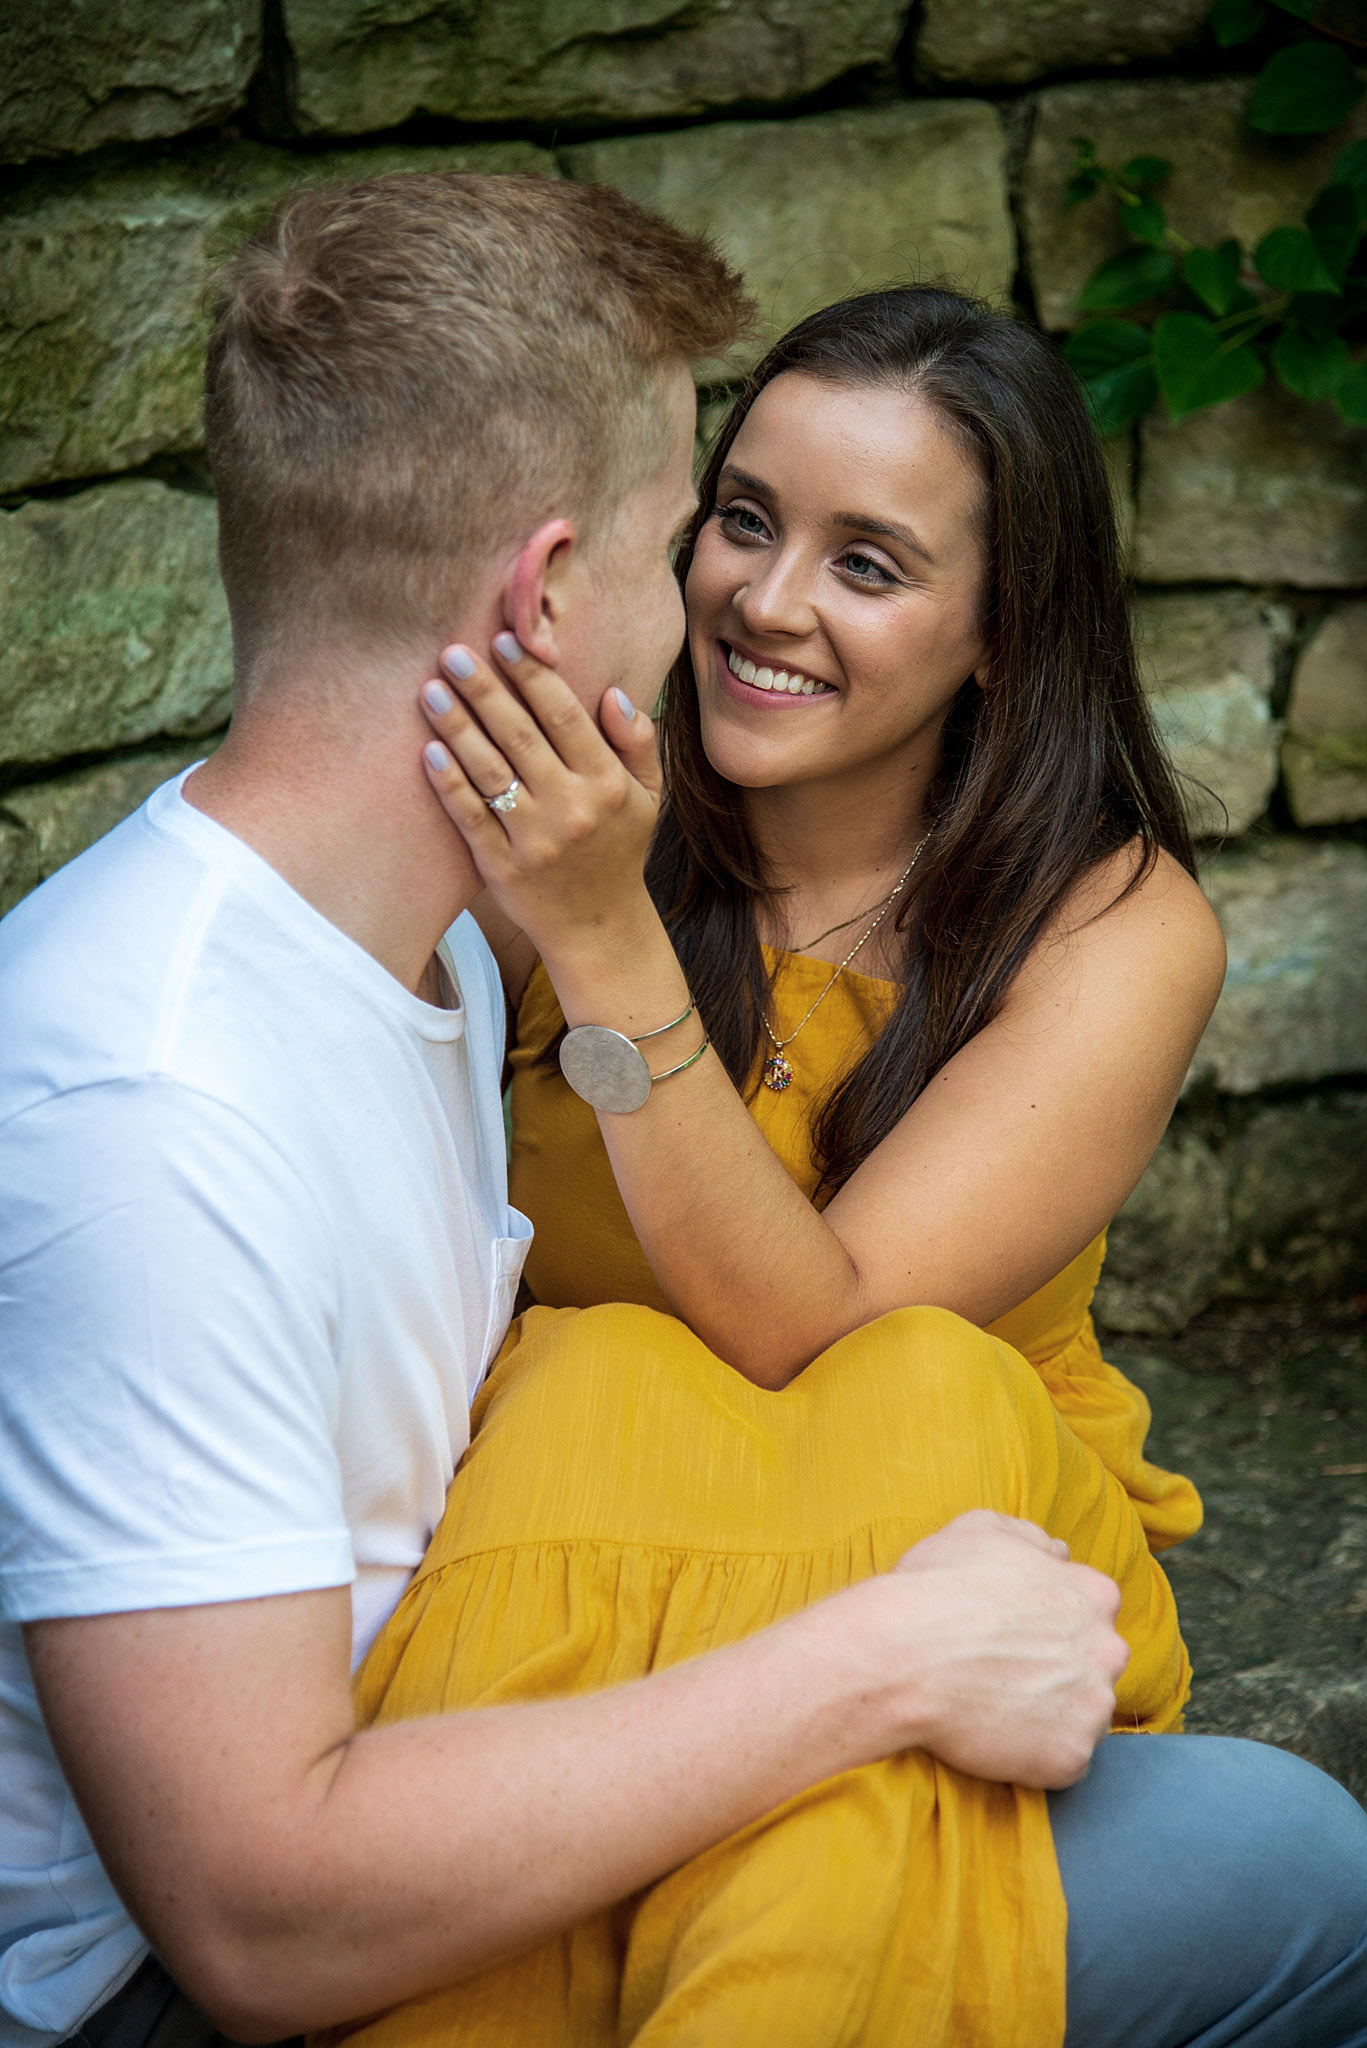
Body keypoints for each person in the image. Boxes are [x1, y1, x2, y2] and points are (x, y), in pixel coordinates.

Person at [0, 175, 1139, 2048]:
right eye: (709, 526)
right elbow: (262, 1919)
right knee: (1299, 1886)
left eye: (865, 563)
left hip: (566, 1662)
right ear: (544, 594)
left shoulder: (440, 947)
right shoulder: (160, 1102)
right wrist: (877, 1664)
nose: (746, 602)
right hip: (241, 1958)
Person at [318, 287, 1367, 2045]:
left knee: (907, 1380)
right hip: (573, 1558)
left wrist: (605, 943)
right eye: (744, 520)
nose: (768, 600)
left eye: (868, 564)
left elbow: (818, 1330)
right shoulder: (575, 804)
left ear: (1003, 634)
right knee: (592, 1378)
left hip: (920, 1551)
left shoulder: (1110, 928)